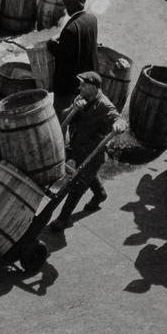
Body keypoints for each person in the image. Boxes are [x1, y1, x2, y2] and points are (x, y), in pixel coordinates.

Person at [50, 71, 126, 231]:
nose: (80, 88)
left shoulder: (104, 105)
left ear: (94, 87)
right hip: (76, 145)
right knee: (87, 176)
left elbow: (118, 118)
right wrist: (74, 109)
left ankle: (62, 219)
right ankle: (100, 194)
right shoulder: (81, 98)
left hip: (93, 153)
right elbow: (64, 116)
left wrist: (119, 125)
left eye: (83, 85)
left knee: (78, 184)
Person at [47, 0, 98, 119]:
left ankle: (61, 130)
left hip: (69, 82)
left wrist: (51, 44)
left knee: (62, 112)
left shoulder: (70, 29)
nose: (66, 9)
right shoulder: (92, 19)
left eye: (67, 6)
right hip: (88, 74)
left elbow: (63, 56)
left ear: (72, 7)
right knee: (80, 111)